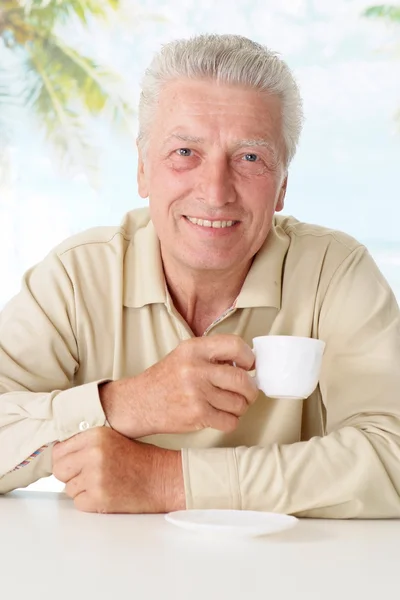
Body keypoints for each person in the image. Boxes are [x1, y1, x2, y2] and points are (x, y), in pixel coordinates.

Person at [1, 34, 400, 518]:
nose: (215, 193)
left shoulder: (334, 273)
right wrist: (127, 403)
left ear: (282, 187)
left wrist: (169, 481)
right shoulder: (77, 275)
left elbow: (392, 457)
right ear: (144, 169)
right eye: (185, 152)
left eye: (250, 158)